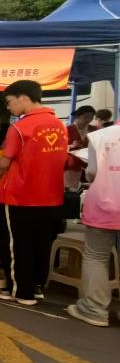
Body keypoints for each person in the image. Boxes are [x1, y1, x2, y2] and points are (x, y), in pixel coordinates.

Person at [0, 80, 68, 306]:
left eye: (9, 101)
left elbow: (5, 162)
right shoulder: (59, 125)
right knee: (42, 242)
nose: (8, 107)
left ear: (23, 97)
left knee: (17, 245)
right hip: (52, 195)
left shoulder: (20, 127)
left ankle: (21, 292)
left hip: (19, 195)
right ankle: (36, 287)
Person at [67, 122, 120, 326]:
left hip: (104, 205)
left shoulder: (101, 136)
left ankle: (94, 309)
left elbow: (91, 173)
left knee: (97, 257)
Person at [64, 105, 95, 190]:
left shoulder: (94, 129)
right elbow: (60, 147)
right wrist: (71, 146)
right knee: (71, 189)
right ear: (77, 116)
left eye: (91, 117)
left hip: (89, 164)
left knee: (88, 188)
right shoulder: (67, 129)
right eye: (86, 117)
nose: (88, 119)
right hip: (72, 165)